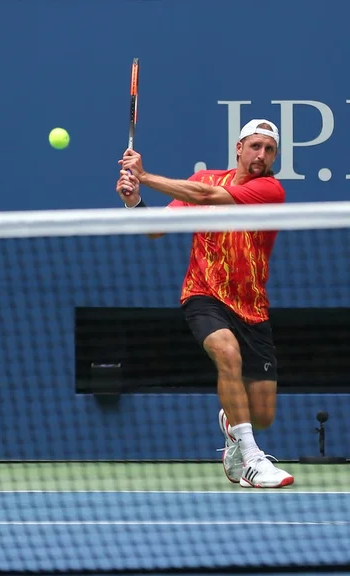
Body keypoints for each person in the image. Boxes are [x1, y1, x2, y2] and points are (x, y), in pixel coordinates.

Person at [116, 119, 294, 488]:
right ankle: (251, 460)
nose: (261, 155)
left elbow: (207, 199)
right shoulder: (209, 179)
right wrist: (134, 201)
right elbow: (154, 228)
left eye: (269, 149)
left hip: (252, 306)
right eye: (255, 146)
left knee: (262, 413)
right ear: (239, 148)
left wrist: (144, 176)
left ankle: (234, 424)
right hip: (204, 293)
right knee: (226, 353)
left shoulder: (269, 189)